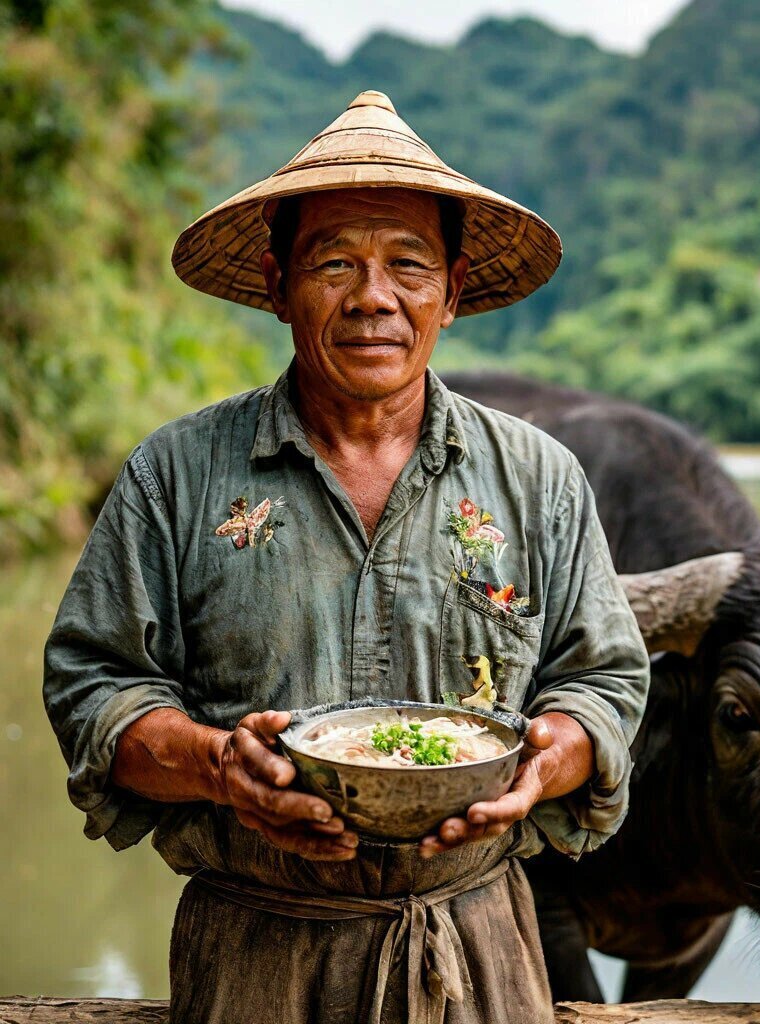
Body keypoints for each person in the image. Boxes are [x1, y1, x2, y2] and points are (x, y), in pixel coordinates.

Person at [43, 90, 650, 1024]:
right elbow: (95, 687)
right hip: (254, 959)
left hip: (478, 950)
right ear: (278, 284)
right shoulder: (177, 475)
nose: (374, 297)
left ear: (452, 291)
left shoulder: (540, 479)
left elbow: (602, 682)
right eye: (335, 263)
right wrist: (219, 766)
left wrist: (540, 766)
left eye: (409, 264)